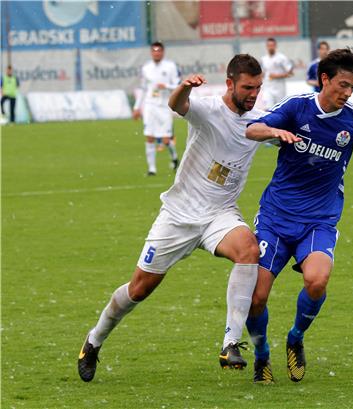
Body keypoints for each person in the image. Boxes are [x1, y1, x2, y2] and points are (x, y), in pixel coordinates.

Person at [78, 54, 266, 382]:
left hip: (219, 216)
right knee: (139, 289)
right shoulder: (208, 109)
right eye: (247, 87)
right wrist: (183, 87)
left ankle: (230, 342)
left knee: (248, 249)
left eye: (258, 88)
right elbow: (177, 105)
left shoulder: (258, 120)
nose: (253, 94)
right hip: (178, 216)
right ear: (230, 84)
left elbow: (288, 130)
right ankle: (94, 340)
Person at [245, 48, 353, 384]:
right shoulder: (297, 107)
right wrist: (275, 132)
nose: (347, 93)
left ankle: (295, 337)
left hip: (320, 219)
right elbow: (253, 129)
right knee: (256, 297)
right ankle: (261, 354)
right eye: (342, 85)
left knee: (317, 281)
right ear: (325, 79)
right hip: (276, 217)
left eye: (352, 88)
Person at [133, 42, 181, 175]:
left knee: (166, 139)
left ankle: (174, 158)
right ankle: (151, 169)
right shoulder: (146, 68)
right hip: (149, 105)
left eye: (159, 51)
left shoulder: (170, 66)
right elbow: (143, 88)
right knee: (149, 137)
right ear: (151, 53)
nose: (156, 53)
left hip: (164, 106)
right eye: (154, 51)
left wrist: (165, 85)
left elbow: (178, 85)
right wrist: (137, 107)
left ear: (163, 52)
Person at [260, 37, 293, 109]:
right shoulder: (263, 59)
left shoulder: (282, 58)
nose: (271, 47)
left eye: (272, 45)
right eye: (269, 46)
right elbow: (262, 74)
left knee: (280, 109)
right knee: (268, 109)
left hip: (280, 89)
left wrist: (277, 76)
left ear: (276, 46)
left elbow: (290, 73)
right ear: (266, 47)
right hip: (267, 88)